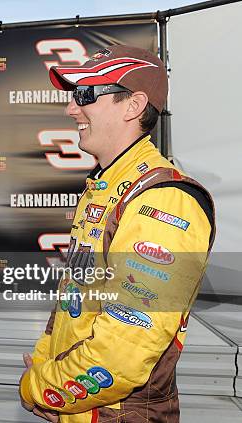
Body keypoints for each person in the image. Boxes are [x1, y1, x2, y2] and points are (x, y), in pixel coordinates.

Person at [18, 45, 215, 422]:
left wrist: (39, 387)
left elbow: (123, 350)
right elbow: (74, 306)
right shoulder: (109, 189)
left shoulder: (164, 200)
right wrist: (45, 368)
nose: (71, 109)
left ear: (133, 105)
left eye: (86, 94)